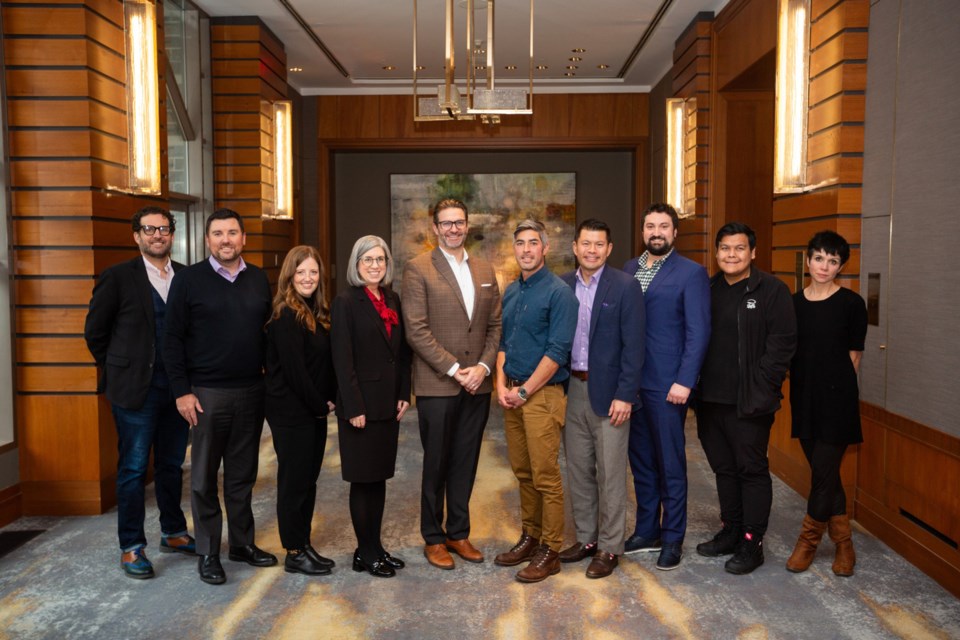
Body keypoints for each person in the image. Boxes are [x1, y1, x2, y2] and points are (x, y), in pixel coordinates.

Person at [163, 208, 276, 585]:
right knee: (203, 479)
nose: (225, 239)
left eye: (232, 232)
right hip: (206, 394)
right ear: (207, 240)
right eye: (218, 233)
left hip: (251, 391)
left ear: (244, 238)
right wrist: (182, 391)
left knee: (243, 476)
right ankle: (209, 551)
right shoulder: (189, 281)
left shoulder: (259, 279)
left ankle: (242, 544)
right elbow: (172, 339)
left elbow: (268, 337)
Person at [83, 206, 194, 579]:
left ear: (172, 234)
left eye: (163, 229)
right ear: (137, 236)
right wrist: (120, 368)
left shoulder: (185, 276)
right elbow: (95, 333)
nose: (157, 235)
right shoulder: (117, 277)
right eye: (149, 229)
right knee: (132, 469)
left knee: (171, 464)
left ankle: (173, 532)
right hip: (135, 391)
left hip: (177, 390)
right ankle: (131, 546)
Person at [401, 199, 502, 570]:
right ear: (435, 227)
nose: (453, 229)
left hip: (477, 384)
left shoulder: (485, 268)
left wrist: (484, 367)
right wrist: (457, 368)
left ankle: (458, 533)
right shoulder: (418, 268)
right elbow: (416, 330)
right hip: (438, 384)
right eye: (446, 224)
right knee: (437, 463)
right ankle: (433, 537)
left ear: (467, 224)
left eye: (459, 223)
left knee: (466, 460)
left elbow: (494, 327)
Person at [695, 222, 796, 575]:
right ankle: (732, 530)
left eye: (739, 248)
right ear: (717, 252)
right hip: (710, 400)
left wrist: (763, 385)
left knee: (751, 470)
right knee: (723, 468)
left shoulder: (772, 290)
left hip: (749, 402)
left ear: (753, 252)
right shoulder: (706, 290)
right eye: (725, 248)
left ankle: (753, 542)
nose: (731, 255)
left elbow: (782, 344)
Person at [622, 203, 711, 570]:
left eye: (663, 226)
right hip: (631, 386)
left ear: (675, 233)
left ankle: (672, 537)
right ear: (642, 232)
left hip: (667, 386)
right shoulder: (629, 269)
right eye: (649, 226)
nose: (656, 232)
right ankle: (647, 530)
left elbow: (699, 331)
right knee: (641, 463)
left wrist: (684, 381)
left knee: (670, 464)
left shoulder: (691, 273)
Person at [558, 219, 645, 579]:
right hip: (571, 389)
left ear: (609, 249)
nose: (592, 250)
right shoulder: (562, 285)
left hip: (611, 395)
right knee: (578, 471)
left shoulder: (625, 286)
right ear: (575, 247)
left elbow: (635, 346)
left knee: (610, 474)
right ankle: (586, 538)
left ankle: (610, 547)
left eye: (599, 245)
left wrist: (626, 394)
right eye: (586, 244)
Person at [494, 218, 578, 584]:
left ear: (545, 248)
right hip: (511, 394)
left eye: (533, 243)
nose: (526, 249)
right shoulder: (512, 291)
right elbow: (503, 344)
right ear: (514, 249)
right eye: (520, 243)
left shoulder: (560, 294)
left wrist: (524, 390)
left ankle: (551, 549)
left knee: (546, 476)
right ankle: (530, 536)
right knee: (523, 473)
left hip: (541, 397)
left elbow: (558, 352)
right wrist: (500, 386)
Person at [785, 231, 867, 577]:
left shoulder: (851, 304)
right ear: (808, 261)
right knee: (827, 474)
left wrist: (838, 391)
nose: (825, 266)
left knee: (822, 475)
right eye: (819, 258)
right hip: (804, 397)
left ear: (841, 267)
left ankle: (807, 542)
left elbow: (854, 355)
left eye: (833, 261)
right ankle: (845, 543)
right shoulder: (793, 303)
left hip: (837, 400)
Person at [331, 235, 412, 579]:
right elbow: (342, 358)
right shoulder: (346, 301)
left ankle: (373, 548)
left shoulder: (391, 297)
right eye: (368, 260)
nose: (375, 265)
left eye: (380, 259)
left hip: (387, 405)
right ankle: (366, 552)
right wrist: (353, 406)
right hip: (361, 407)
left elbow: (402, 352)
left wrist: (404, 393)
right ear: (356, 264)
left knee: (378, 479)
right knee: (362, 482)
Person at [265, 246, 338, 576]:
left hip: (312, 411)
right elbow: (295, 372)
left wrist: (329, 398)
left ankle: (303, 543)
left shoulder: (316, 311)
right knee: (294, 482)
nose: (308, 278)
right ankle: (294, 552)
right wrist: (321, 404)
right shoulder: (285, 316)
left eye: (313, 272)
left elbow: (322, 365)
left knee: (308, 482)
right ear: (289, 277)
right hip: (291, 413)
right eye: (301, 272)